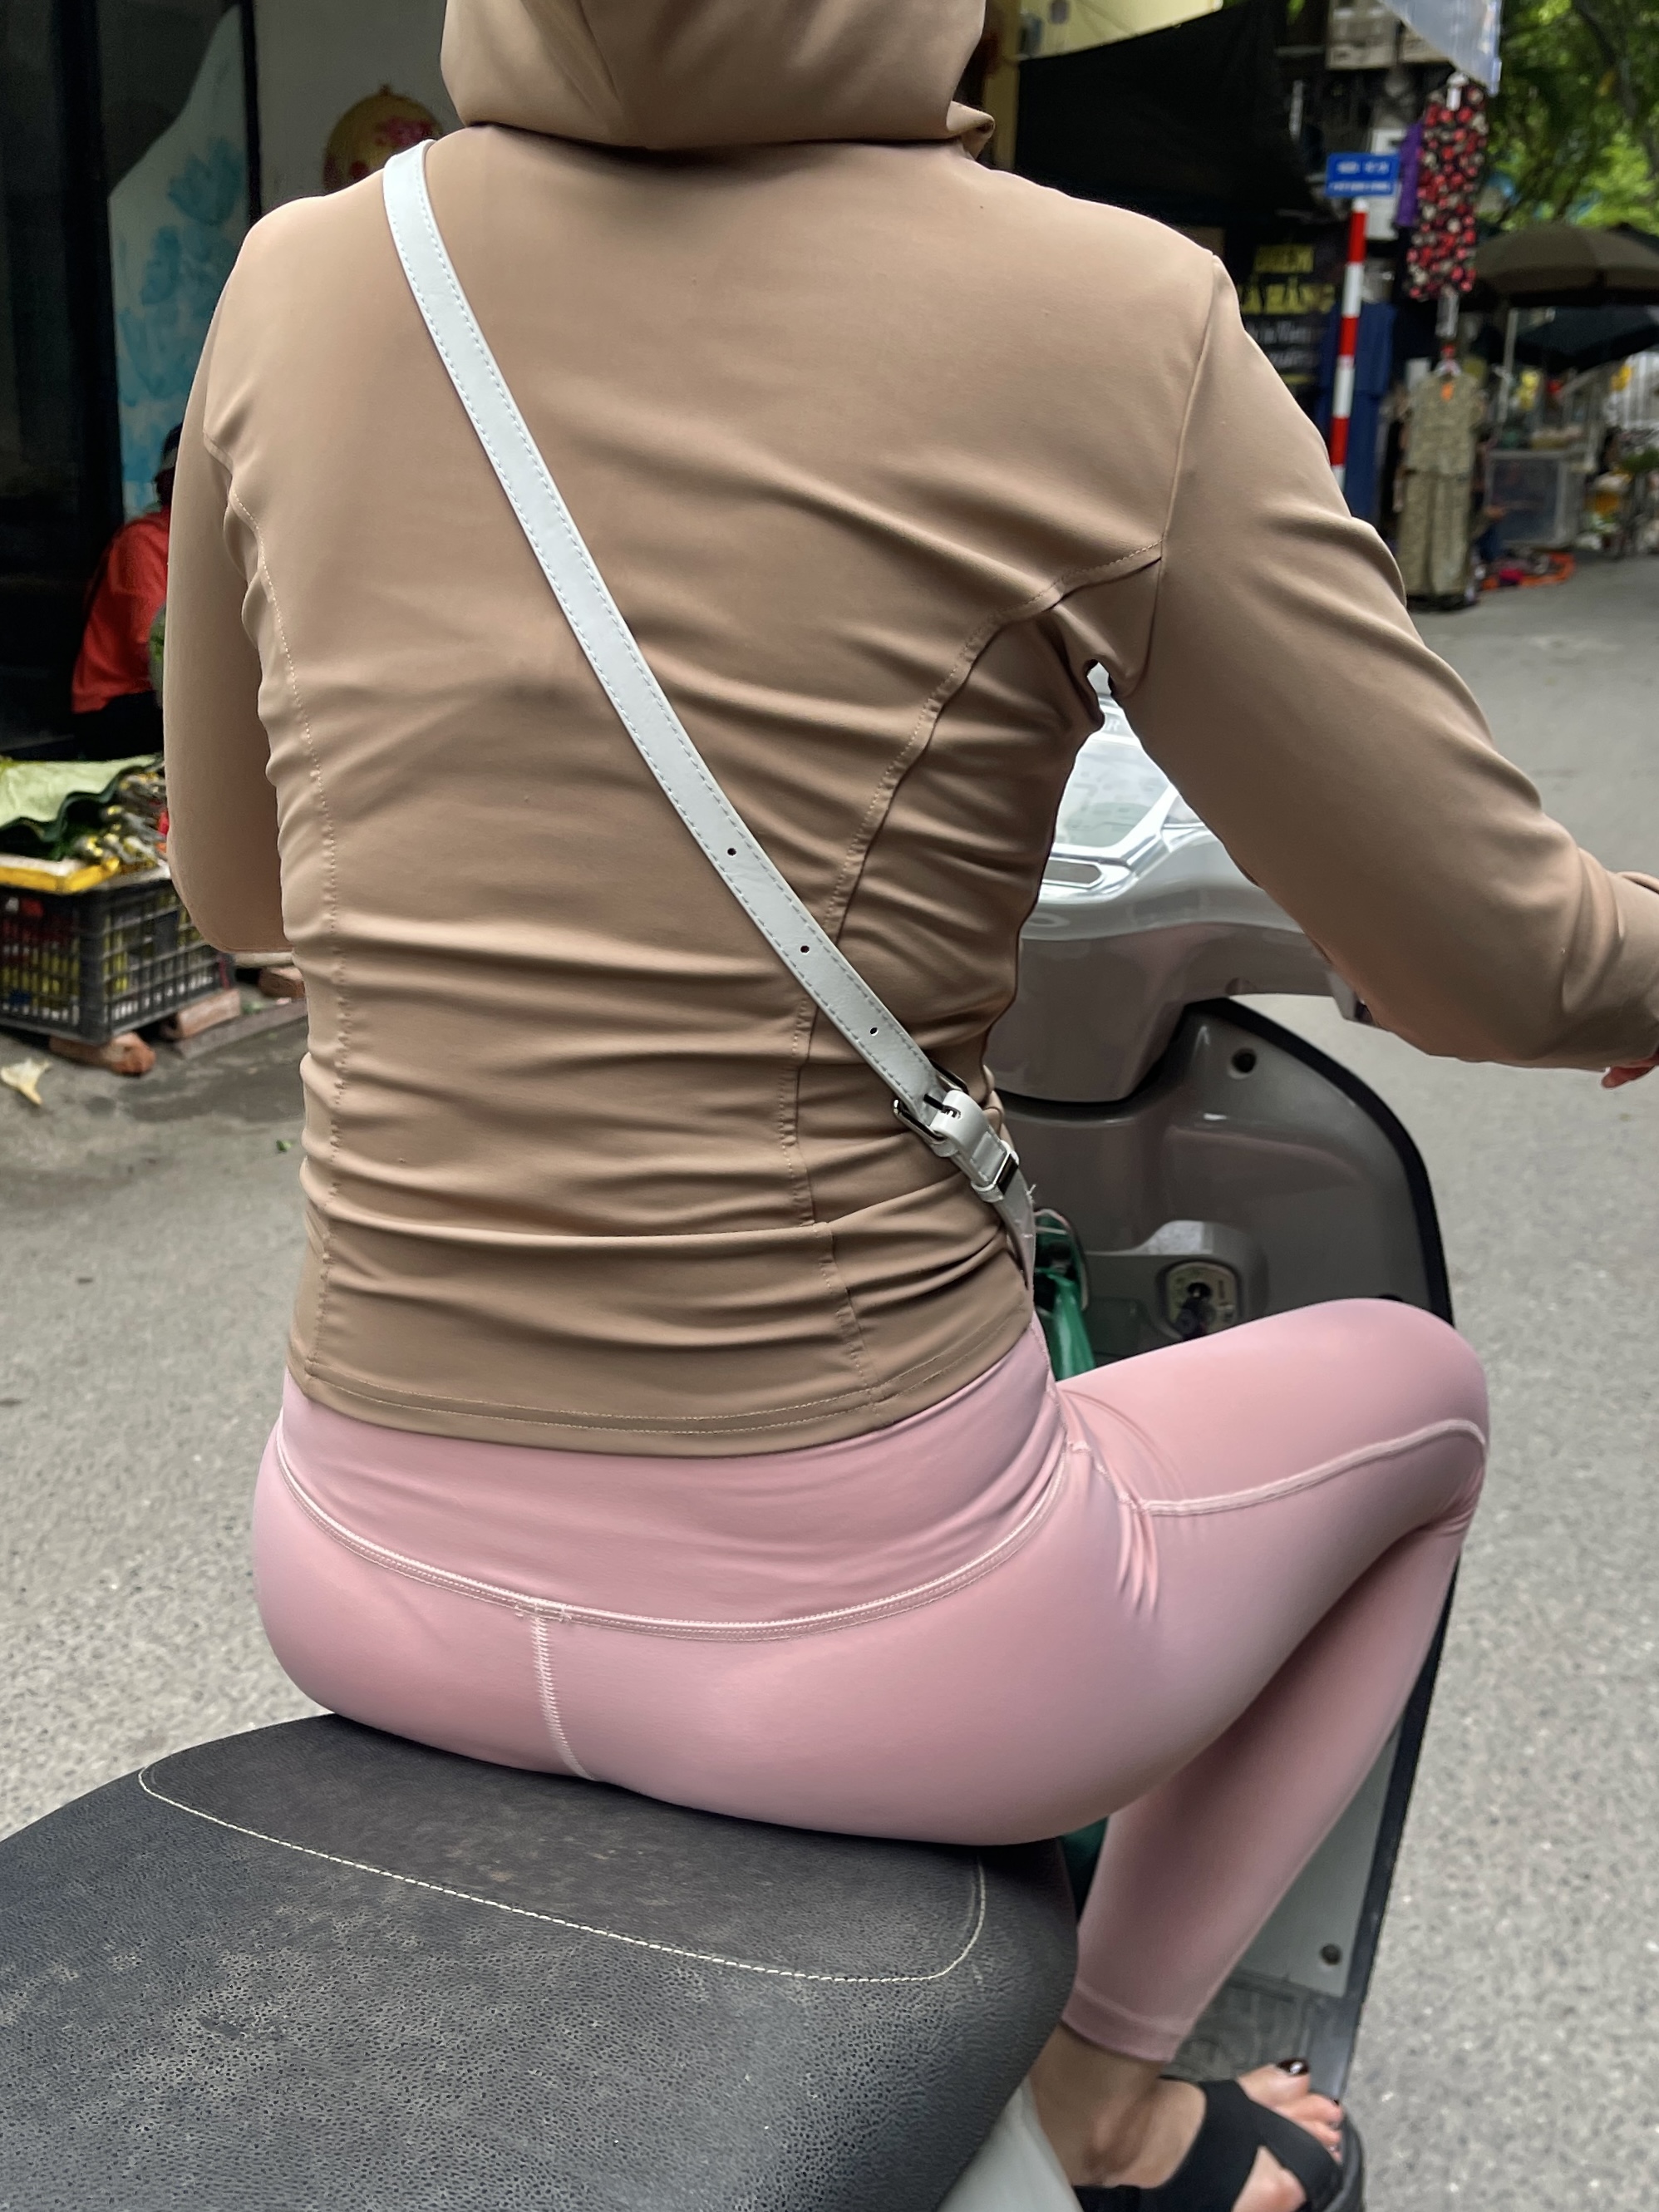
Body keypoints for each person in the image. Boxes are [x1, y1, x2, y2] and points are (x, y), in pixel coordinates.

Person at [161, 4, 1659, 2205]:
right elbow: (1493, 959)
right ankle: (1110, 2091)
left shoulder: (301, 274)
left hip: (357, 1559)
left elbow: (240, 884)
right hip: (875, 1641)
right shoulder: (1107, 312)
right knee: (1420, 1407)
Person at [70, 424, 179, 759]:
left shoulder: (214, 543)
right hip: (116, 703)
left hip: (165, 694)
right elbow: (152, 647)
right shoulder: (143, 541)